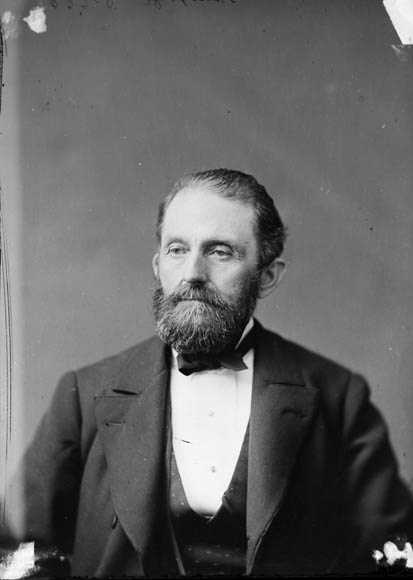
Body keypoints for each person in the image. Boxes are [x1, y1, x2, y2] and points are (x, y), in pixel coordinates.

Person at [9, 169, 413, 576]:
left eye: (220, 252)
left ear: (267, 276)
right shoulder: (85, 394)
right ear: (157, 265)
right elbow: (17, 552)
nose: (192, 273)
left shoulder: (338, 397)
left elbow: (395, 554)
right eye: (177, 250)